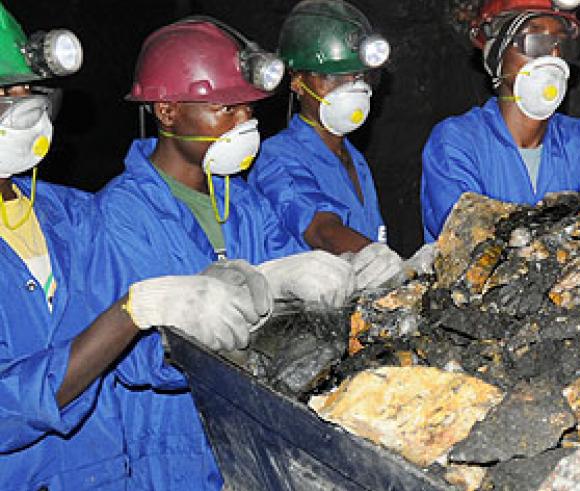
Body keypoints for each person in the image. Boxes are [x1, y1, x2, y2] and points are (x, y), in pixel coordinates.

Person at [0, 5, 268, 488]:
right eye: (4, 94)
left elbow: (137, 364)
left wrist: (204, 321)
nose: (26, 109)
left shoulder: (71, 215)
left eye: (27, 91)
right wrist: (130, 312)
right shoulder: (118, 209)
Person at [90, 18, 357, 488]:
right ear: (167, 111)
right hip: (172, 446)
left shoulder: (243, 200)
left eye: (249, 108)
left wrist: (334, 281)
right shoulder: (120, 213)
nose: (245, 123)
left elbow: (291, 317)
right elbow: (132, 360)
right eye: (227, 108)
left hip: (256, 439)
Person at [420, 0, 580, 242]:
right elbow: (467, 235)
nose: (554, 55)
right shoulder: (456, 142)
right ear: (496, 52)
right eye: (535, 41)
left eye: (563, 44)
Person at [250, 0, 408, 289]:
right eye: (333, 76)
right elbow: (323, 231)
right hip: (306, 311)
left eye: (359, 75)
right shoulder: (277, 157)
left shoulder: (354, 159)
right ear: (297, 81)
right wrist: (397, 271)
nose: (352, 86)